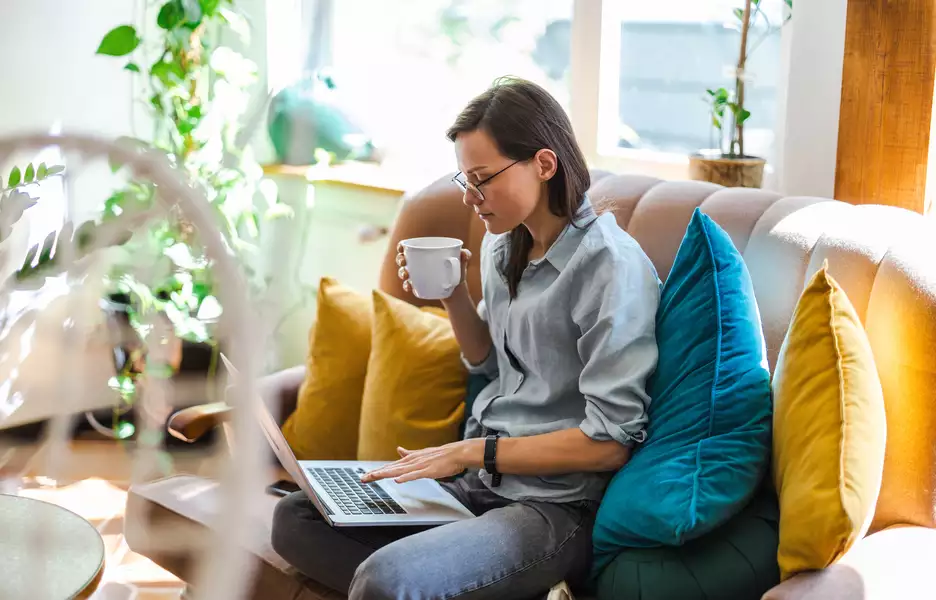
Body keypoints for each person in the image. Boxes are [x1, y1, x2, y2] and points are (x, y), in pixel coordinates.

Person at [271, 76, 661, 600]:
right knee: (296, 515)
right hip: (478, 487)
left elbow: (609, 443)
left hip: (553, 508)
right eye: (464, 180)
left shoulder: (609, 268)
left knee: (385, 582)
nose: (471, 198)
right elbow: (485, 362)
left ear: (544, 165)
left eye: (482, 179)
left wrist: (473, 452)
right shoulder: (506, 249)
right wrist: (453, 295)